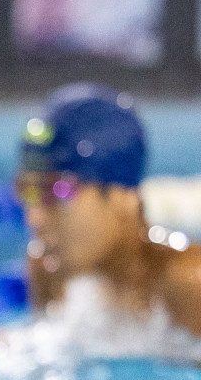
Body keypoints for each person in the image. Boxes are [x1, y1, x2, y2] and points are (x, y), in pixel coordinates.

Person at [18, 83, 201, 335]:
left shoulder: (190, 285)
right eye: (28, 191)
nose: (35, 218)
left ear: (122, 197)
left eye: (57, 191)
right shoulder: (47, 269)